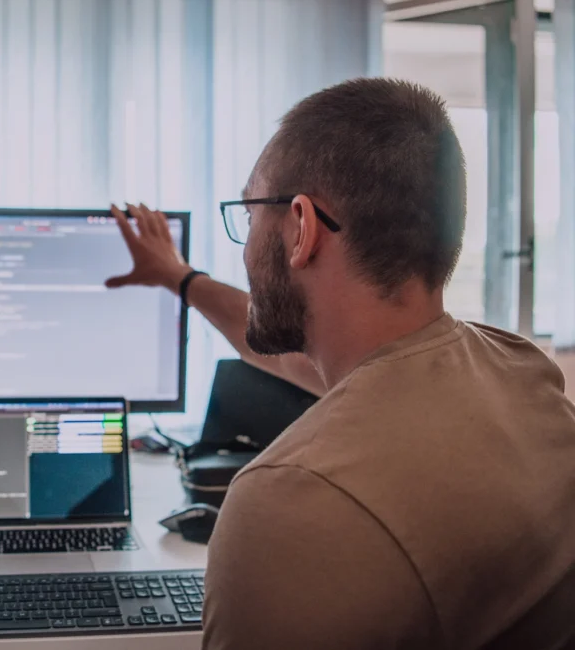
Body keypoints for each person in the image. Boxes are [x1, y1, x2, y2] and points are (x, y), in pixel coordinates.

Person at [110, 78, 575, 649]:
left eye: (250, 212)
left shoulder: (292, 499)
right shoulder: (519, 371)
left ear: (301, 227)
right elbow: (292, 361)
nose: (247, 238)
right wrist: (180, 278)